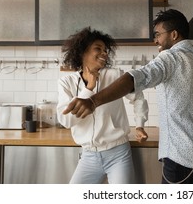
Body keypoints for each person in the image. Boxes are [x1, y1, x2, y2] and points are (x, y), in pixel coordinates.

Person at [63, 9, 193, 184]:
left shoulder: (170, 58)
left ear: (173, 35)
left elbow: (136, 78)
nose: (155, 40)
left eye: (158, 34)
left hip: (180, 154)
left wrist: (93, 101)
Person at [56, 27, 149, 184]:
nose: (104, 53)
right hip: (88, 156)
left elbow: (138, 97)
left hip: (118, 154)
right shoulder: (67, 83)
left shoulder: (115, 75)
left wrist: (139, 125)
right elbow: (66, 121)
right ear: (82, 52)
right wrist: (88, 89)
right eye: (97, 49)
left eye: (105, 50)